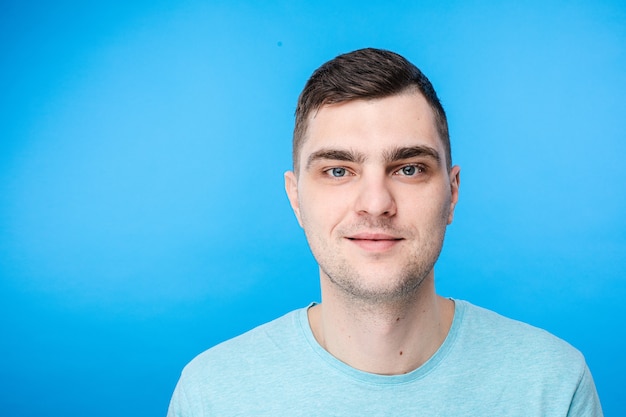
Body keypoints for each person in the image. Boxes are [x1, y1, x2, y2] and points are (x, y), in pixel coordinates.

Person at [167, 48, 602, 416]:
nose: (376, 203)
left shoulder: (552, 385)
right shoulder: (213, 395)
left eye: (409, 169)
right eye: (338, 170)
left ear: (451, 194)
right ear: (296, 197)